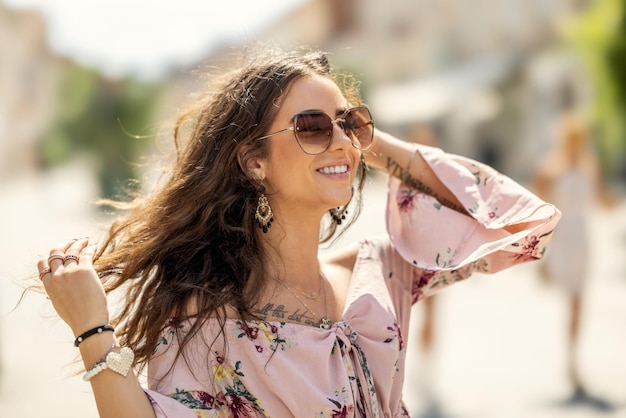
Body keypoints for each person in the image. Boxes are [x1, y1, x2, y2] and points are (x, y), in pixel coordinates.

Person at [34, 45, 560, 418]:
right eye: (311, 127)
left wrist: (367, 144)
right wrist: (92, 328)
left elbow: (523, 226)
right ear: (254, 161)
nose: (338, 140)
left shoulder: (380, 274)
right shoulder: (208, 314)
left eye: (348, 121)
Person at [532, 93, 610, 409]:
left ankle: (572, 360)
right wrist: (540, 250)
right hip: (562, 239)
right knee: (571, 299)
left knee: (578, 301)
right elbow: (538, 209)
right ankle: (568, 361)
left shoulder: (590, 168)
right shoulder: (551, 170)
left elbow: (602, 202)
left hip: (582, 239)